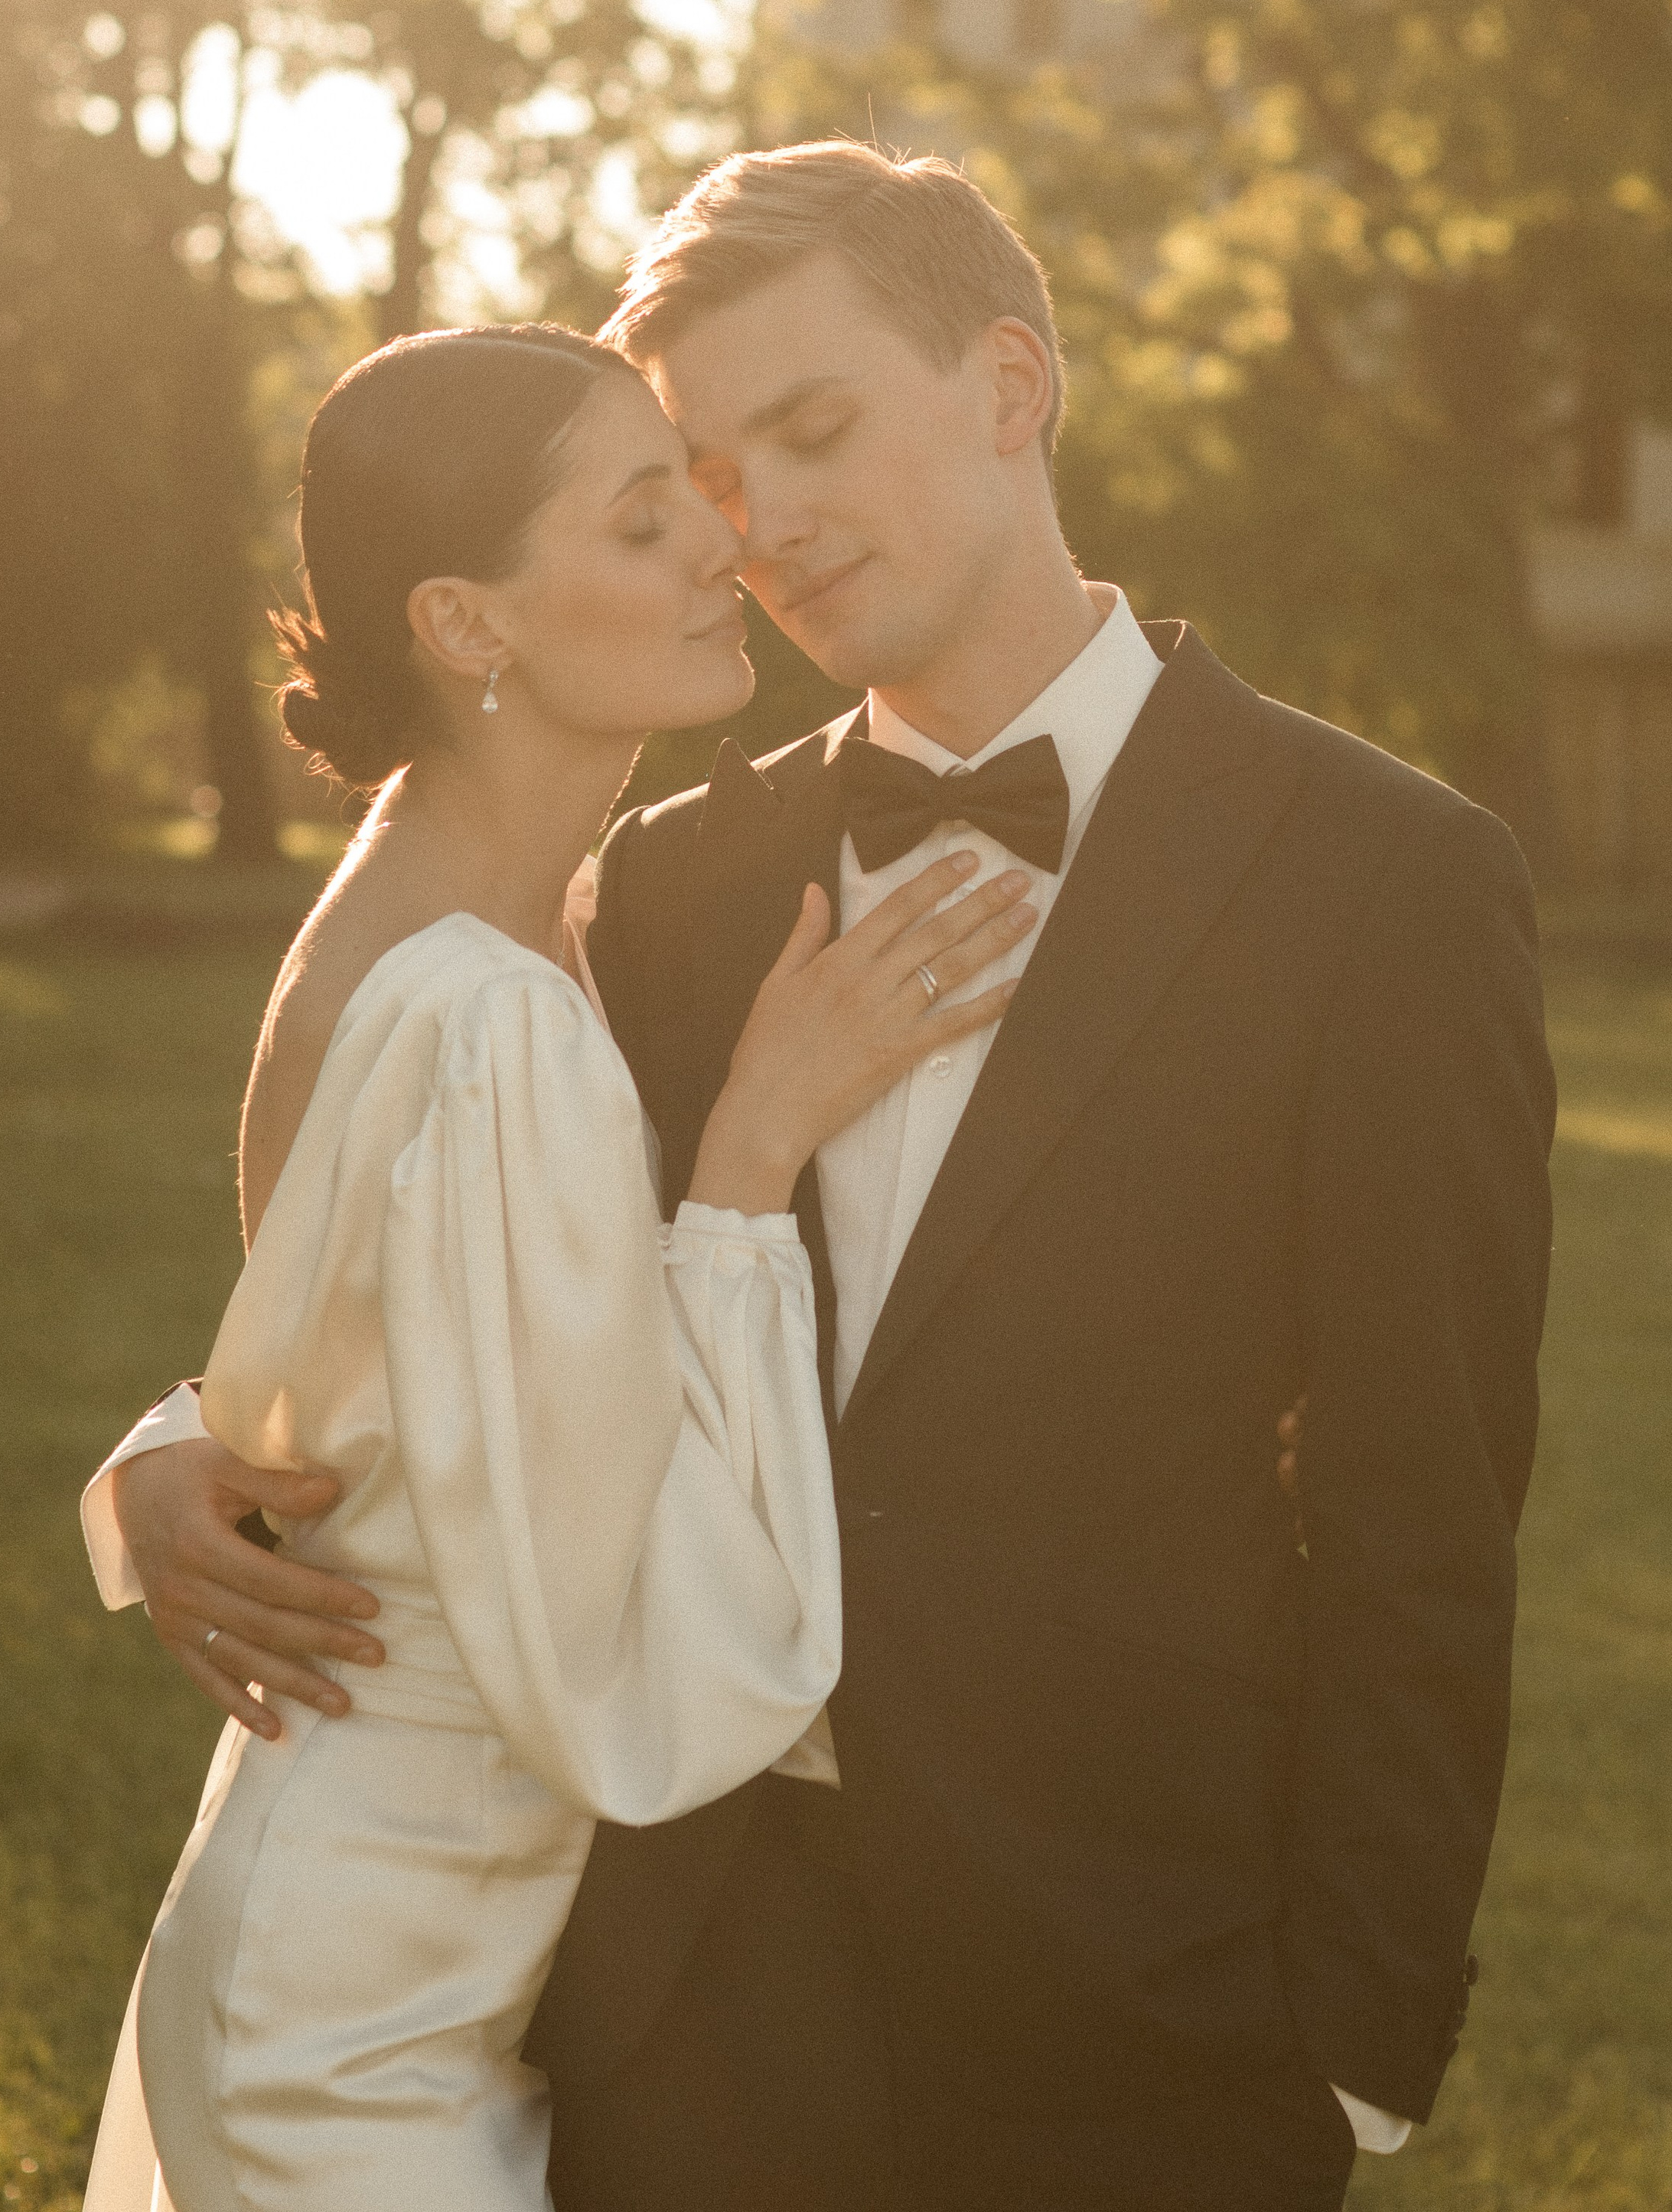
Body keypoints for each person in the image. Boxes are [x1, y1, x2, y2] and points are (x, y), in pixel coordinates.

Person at [93, 142, 1556, 2212]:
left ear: (1011, 388)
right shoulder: (671, 884)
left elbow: (1426, 1506)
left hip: (1141, 2004)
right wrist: (173, 1461)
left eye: (813, 430)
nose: (755, 523)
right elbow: (471, 1276)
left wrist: (1349, 2058)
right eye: (699, 469)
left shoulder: (1383, 886)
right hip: (680, 1991)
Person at [79, 321, 1031, 2212]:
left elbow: (363, 1368)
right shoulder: (484, 1010)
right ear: (464, 619)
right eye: (640, 521)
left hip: (404, 1960)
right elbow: (629, 1625)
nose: (720, 549)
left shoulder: (475, 916)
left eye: (700, 502)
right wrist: (751, 1155)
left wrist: (158, 1461)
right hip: (349, 2029)